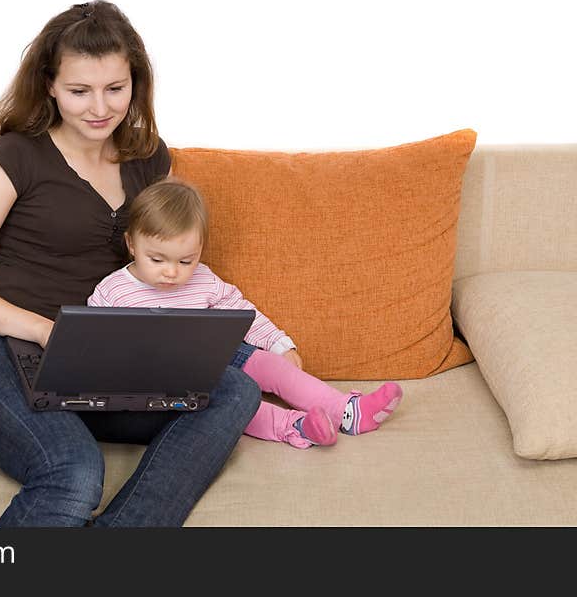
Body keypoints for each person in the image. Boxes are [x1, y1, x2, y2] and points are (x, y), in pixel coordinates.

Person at [0, 0, 261, 527]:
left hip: (97, 362)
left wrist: (261, 347)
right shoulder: (14, 156)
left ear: (136, 84)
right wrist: (43, 330)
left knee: (234, 389)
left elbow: (173, 271)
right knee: (75, 472)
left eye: (115, 88)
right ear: (50, 86)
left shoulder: (150, 158)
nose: (99, 108)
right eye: (79, 90)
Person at [88, 177, 403, 449]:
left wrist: (281, 344)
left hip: (220, 351)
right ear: (131, 244)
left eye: (186, 261)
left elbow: (241, 311)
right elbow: (93, 342)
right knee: (233, 400)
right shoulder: (112, 290)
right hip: (173, 375)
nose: (172, 272)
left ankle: (347, 411)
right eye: (157, 260)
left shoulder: (204, 279)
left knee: (273, 366)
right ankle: (297, 427)